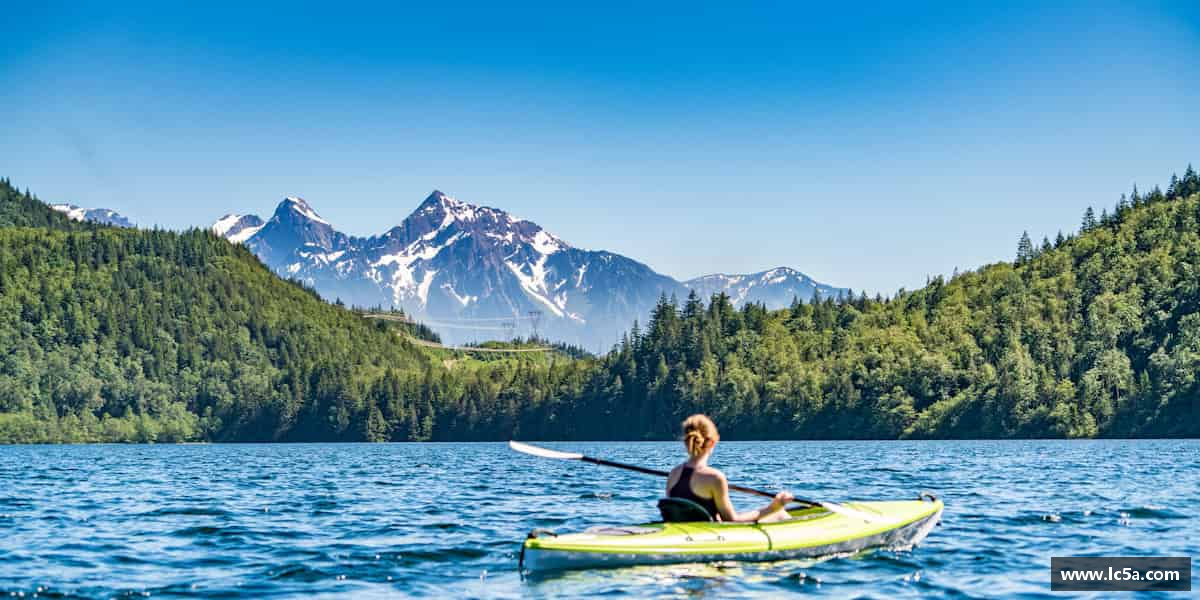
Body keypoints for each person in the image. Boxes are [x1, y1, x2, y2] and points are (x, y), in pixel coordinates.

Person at [666, 414, 794, 523]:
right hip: (711, 536)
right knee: (779, 514)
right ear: (712, 442)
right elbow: (731, 521)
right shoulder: (714, 477)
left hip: (689, 531)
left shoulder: (673, 474)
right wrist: (774, 507)